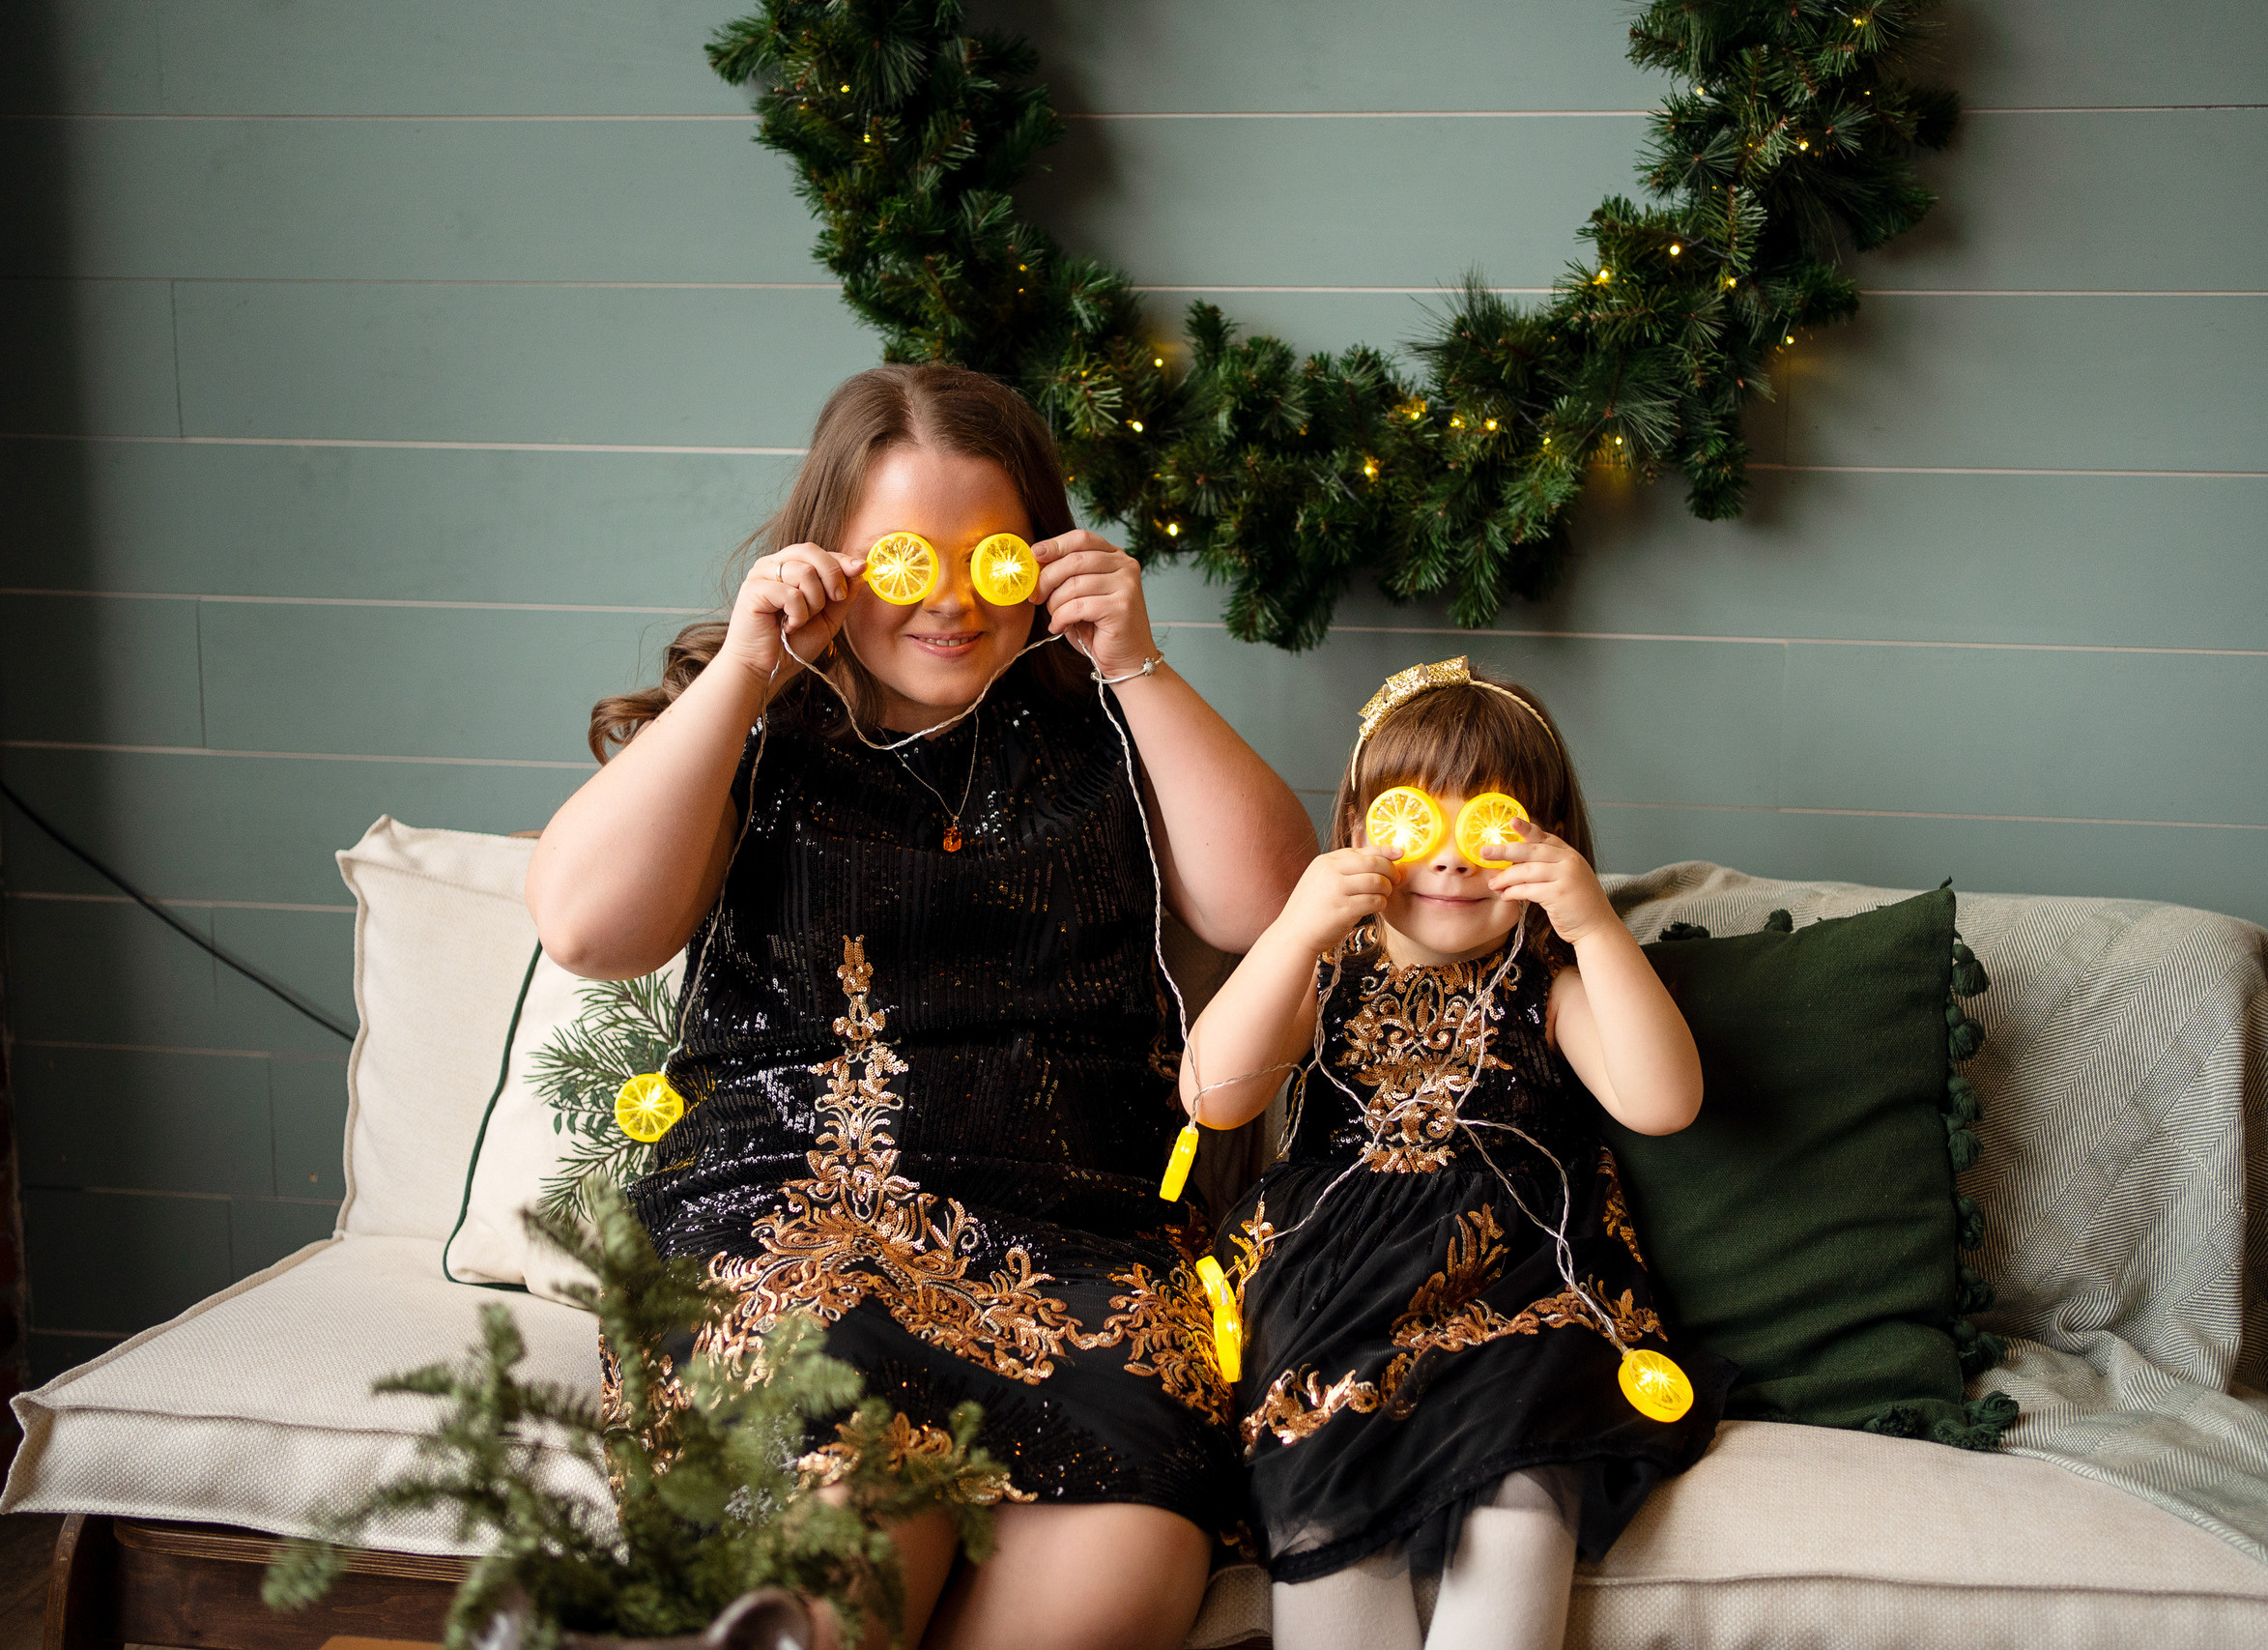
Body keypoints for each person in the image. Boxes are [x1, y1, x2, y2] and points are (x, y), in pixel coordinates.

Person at [526, 362, 1318, 1650]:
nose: (951, 599)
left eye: (990, 559)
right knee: (852, 1552)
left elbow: (1273, 907)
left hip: (1080, 1247)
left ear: (1047, 559)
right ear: (828, 560)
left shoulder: (1109, 729)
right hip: (792, 1222)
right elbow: (584, 925)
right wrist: (741, 670)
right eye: (904, 559)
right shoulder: (760, 725)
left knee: (1117, 1585)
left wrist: (1145, 669)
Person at [1180, 657, 1730, 1650]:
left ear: (1549, 841)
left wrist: (1595, 927)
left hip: (1515, 1287)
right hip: (1328, 1294)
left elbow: (1663, 1102)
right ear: (1355, 831)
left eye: (1493, 822)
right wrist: (1295, 931)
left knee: (1520, 1474)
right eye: (1409, 816)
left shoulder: (1550, 987)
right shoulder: (1327, 975)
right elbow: (1212, 1097)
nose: (1450, 856)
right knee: (1323, 1467)